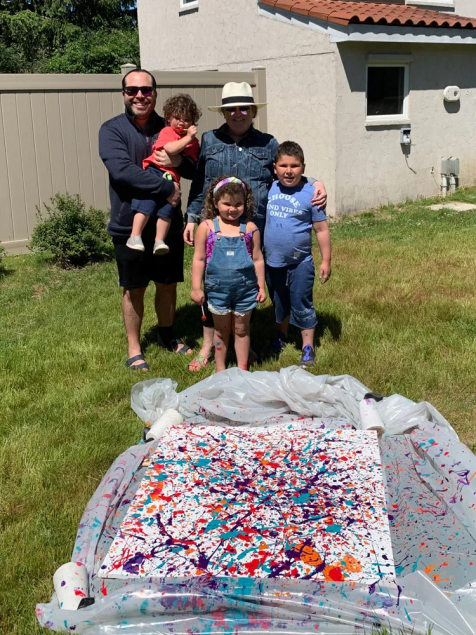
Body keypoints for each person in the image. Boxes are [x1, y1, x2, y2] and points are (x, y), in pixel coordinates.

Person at [185, 81, 327, 372]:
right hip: (216, 231)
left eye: (244, 108)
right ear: (224, 113)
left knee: (252, 284)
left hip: (254, 230)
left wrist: (316, 182)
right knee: (215, 286)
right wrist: (190, 217)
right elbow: (199, 183)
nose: (238, 114)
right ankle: (208, 346)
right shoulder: (210, 140)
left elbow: (287, 173)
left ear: (252, 111)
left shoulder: (268, 143)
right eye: (231, 109)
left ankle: (250, 340)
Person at [99, 68, 195, 370]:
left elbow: (195, 165)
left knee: (167, 284)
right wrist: (167, 186)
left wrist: (178, 160)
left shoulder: (171, 125)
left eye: (146, 90)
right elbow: (122, 171)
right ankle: (134, 347)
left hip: (167, 222)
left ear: (154, 92)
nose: (140, 96)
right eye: (132, 91)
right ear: (124, 94)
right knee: (134, 287)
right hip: (130, 224)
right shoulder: (112, 130)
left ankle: (168, 336)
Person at [265, 141, 331, 368]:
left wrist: (326, 260)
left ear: (303, 167)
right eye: (283, 165)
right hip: (273, 262)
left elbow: (321, 229)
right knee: (280, 302)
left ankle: (307, 347)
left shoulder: (312, 194)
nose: (289, 170)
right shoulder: (270, 188)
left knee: (302, 301)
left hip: (300, 261)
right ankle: (281, 337)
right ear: (275, 167)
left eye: (295, 165)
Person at [191, 177, 266, 372]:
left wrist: (261, 286)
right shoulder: (206, 228)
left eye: (238, 204)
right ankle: (220, 370)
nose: (232, 209)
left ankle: (242, 370)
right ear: (215, 203)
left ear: (245, 203)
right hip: (217, 291)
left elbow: (258, 259)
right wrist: (196, 287)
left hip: (246, 291)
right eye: (227, 204)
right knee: (221, 332)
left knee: (242, 330)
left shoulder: (250, 229)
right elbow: (199, 259)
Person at [127, 94, 201, 256]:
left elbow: (194, 165)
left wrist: (185, 158)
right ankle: (135, 235)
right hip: (155, 171)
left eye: (187, 119)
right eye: (177, 117)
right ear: (168, 118)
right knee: (146, 204)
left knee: (167, 209)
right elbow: (170, 150)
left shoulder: (193, 142)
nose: (181, 122)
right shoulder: (167, 132)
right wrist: (188, 137)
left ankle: (159, 241)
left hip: (172, 177)